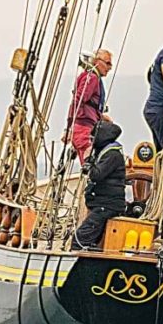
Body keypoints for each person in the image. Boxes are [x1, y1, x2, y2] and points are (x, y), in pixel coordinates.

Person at [72, 120, 127, 250]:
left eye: (92, 138)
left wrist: (87, 160)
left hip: (106, 206)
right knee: (90, 240)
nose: (90, 141)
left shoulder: (112, 154)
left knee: (79, 240)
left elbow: (96, 175)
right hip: (101, 205)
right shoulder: (104, 152)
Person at [65, 49, 113, 163]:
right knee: (89, 164)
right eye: (108, 63)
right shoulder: (92, 78)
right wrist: (67, 129)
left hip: (85, 127)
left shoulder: (91, 77)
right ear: (96, 61)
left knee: (90, 163)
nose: (110, 67)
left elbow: (86, 104)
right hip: (83, 128)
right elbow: (78, 101)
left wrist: (101, 116)